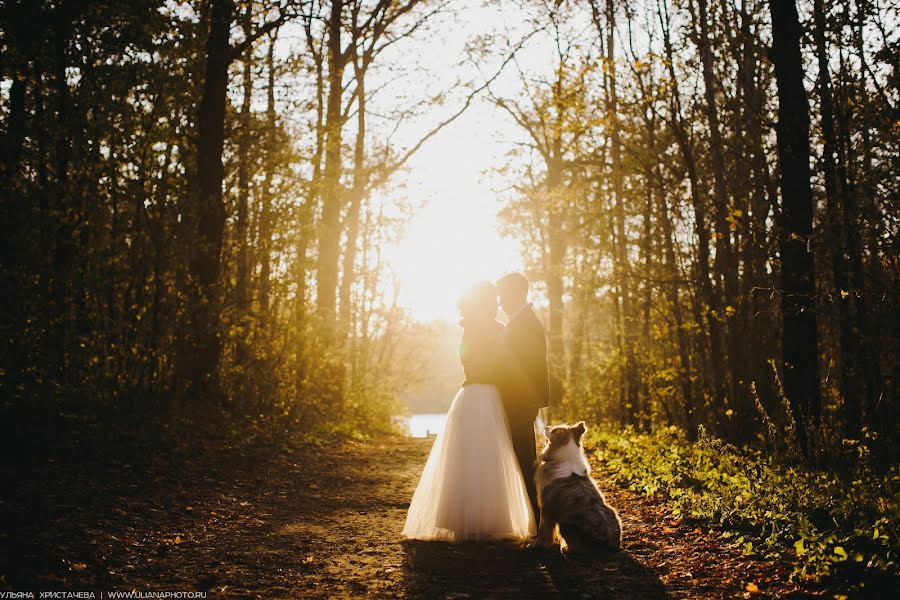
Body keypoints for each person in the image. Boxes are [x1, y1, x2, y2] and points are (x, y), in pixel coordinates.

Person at [402, 281, 535, 542]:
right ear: (484, 302)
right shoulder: (492, 329)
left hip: (473, 394)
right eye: (493, 300)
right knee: (482, 457)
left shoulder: (472, 327)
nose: (498, 304)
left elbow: (473, 360)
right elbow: (485, 363)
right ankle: (481, 521)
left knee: (475, 457)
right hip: (483, 394)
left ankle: (467, 520)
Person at [495, 272, 551, 526]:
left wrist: (531, 400)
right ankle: (530, 520)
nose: (500, 301)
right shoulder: (518, 322)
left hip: (520, 402)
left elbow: (531, 366)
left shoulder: (527, 324)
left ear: (517, 294)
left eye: (503, 295)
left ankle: (539, 523)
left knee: (525, 460)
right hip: (514, 401)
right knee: (517, 458)